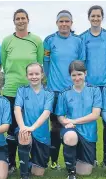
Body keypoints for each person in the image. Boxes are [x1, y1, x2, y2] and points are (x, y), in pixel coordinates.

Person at [1, 8, 44, 174]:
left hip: (31, 91)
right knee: (12, 129)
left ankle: (31, 161)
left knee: (30, 126)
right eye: (17, 18)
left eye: (23, 18)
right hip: (11, 90)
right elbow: (4, 65)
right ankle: (11, 162)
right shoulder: (6, 41)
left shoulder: (37, 41)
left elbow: (39, 64)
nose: (20, 21)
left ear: (28, 20)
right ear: (14, 21)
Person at [43, 10, 85, 170]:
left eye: (67, 21)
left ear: (71, 23)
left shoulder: (78, 41)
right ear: (57, 23)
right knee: (55, 126)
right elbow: (46, 62)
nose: (64, 24)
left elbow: (81, 64)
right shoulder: (49, 40)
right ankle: (53, 161)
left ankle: (77, 159)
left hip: (74, 90)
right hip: (54, 91)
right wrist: (50, 80)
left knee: (74, 124)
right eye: (61, 21)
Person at [79, 5, 106, 168]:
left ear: (102, 17)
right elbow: (82, 63)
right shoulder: (82, 38)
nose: (95, 19)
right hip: (90, 87)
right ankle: (91, 157)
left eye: (98, 16)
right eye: (92, 16)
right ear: (89, 18)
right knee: (90, 123)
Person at [55, 60, 102, 179]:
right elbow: (60, 116)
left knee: (85, 172)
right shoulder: (64, 93)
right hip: (71, 129)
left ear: (85, 73)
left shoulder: (95, 90)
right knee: (70, 136)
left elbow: (95, 115)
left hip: (88, 133)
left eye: (79, 74)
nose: (77, 78)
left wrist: (73, 121)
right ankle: (71, 171)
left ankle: (82, 160)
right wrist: (67, 123)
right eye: (73, 75)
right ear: (70, 76)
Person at [14, 63, 54, 179]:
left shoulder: (49, 93)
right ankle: (24, 174)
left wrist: (33, 127)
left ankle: (30, 163)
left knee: (38, 173)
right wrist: (22, 127)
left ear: (42, 75)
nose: (34, 76)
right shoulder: (22, 90)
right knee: (24, 136)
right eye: (30, 74)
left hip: (42, 134)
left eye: (37, 74)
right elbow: (17, 109)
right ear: (26, 76)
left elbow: (46, 113)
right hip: (25, 130)